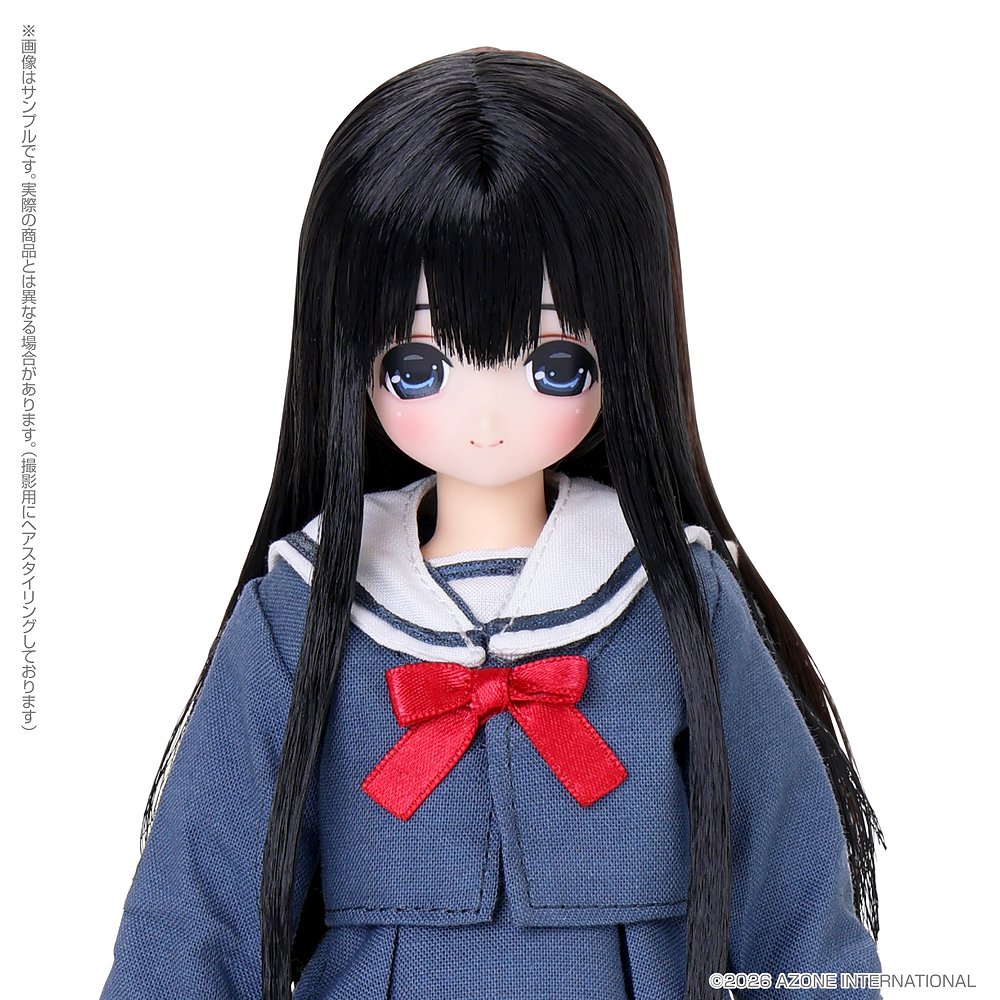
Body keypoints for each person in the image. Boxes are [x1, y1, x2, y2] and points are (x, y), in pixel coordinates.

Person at [100, 48, 882, 1000]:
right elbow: (195, 913)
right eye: (419, 367)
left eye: (554, 364)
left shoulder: (673, 597)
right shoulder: (301, 615)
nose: (485, 417)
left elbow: (788, 887)